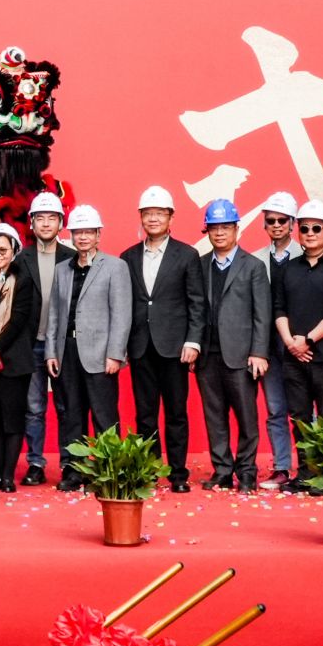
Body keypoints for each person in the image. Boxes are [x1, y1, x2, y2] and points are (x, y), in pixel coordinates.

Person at [119, 185, 206, 494]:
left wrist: (193, 341)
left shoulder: (187, 255)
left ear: (171, 217)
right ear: (140, 217)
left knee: (176, 413)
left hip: (175, 347)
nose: (153, 218)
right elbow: (124, 304)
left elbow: (197, 302)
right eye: (148, 213)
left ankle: (178, 474)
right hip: (140, 346)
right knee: (145, 415)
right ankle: (149, 471)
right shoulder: (128, 257)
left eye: (159, 213)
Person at [43, 204, 131, 490]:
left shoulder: (115, 267)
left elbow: (122, 314)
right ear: (71, 235)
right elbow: (54, 314)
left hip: (100, 354)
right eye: (77, 232)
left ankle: (109, 470)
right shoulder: (62, 269)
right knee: (71, 415)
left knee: (105, 416)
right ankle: (74, 471)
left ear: (98, 235)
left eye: (88, 232)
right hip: (67, 351)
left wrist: (115, 354)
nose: (82, 237)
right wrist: (51, 351)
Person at [271, 201, 323, 490]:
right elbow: (279, 307)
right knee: (299, 417)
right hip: (293, 355)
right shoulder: (289, 268)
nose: (309, 233)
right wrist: (290, 342)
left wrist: (307, 340)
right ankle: (306, 474)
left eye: (316, 228)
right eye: (304, 228)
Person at [192, 200, 270, 493]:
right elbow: (194, 309)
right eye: (214, 228)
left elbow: (262, 314)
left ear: (237, 229)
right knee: (215, 417)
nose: (220, 233)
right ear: (207, 231)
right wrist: (194, 345)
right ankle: (222, 471)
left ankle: (247, 472)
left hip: (241, 355)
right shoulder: (200, 265)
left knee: (247, 418)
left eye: (226, 227)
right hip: (207, 355)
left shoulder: (253, 267)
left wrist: (259, 352)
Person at [0, 224, 39, 492]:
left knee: (12, 421)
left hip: (14, 360)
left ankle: (8, 476)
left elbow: (20, 319)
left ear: (14, 251)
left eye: (4, 249)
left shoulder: (24, 279)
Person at [18, 192, 73, 487]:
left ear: (61, 222)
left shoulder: (72, 257)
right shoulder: (21, 258)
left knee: (66, 407)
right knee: (34, 408)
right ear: (32, 222)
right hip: (31, 344)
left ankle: (69, 463)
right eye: (40, 218)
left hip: (63, 346)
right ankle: (35, 463)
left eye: (52, 218)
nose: (46, 223)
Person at [250, 192, 299, 488]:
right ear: (264, 224)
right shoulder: (255, 259)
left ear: (292, 223)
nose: (277, 225)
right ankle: (282, 468)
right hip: (268, 346)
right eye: (271, 221)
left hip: (301, 345)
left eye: (282, 220)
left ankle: (312, 468)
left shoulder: (307, 253)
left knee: (305, 411)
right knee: (275, 408)